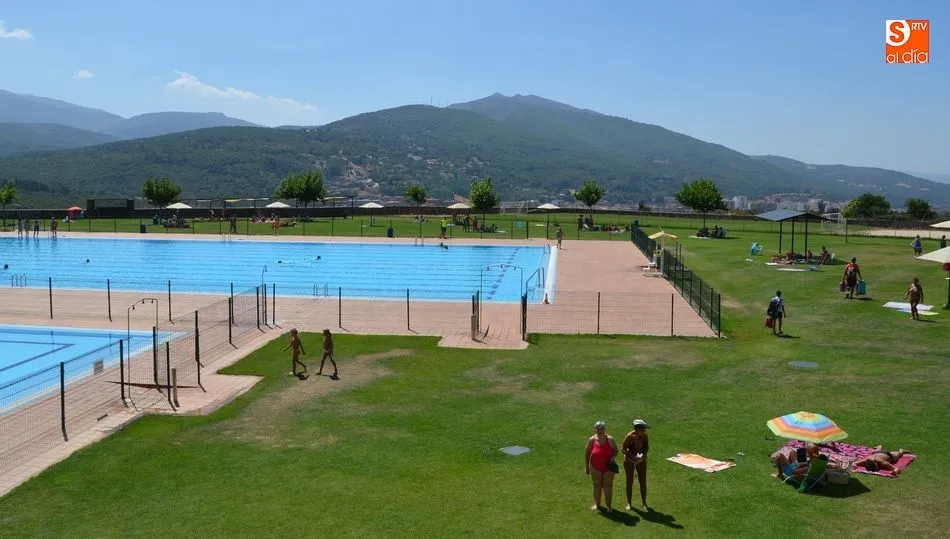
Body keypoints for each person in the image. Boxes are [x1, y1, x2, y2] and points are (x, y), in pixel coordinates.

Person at [585, 420, 618, 512]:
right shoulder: (591, 440)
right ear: (595, 430)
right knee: (596, 486)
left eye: (602, 429)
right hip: (595, 467)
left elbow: (616, 451)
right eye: (598, 429)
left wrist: (613, 457)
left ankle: (609, 506)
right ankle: (597, 504)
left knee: (608, 486)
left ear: (604, 429)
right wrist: (587, 467)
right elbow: (587, 453)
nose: (600, 431)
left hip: (608, 468)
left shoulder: (610, 439)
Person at [621, 419, 650, 510]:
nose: (644, 431)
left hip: (641, 460)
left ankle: (644, 503)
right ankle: (629, 503)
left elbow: (646, 447)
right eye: (643, 429)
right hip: (629, 461)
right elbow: (623, 449)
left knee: (643, 481)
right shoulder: (630, 436)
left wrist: (644, 456)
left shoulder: (645, 436)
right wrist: (632, 456)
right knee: (629, 481)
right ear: (637, 429)